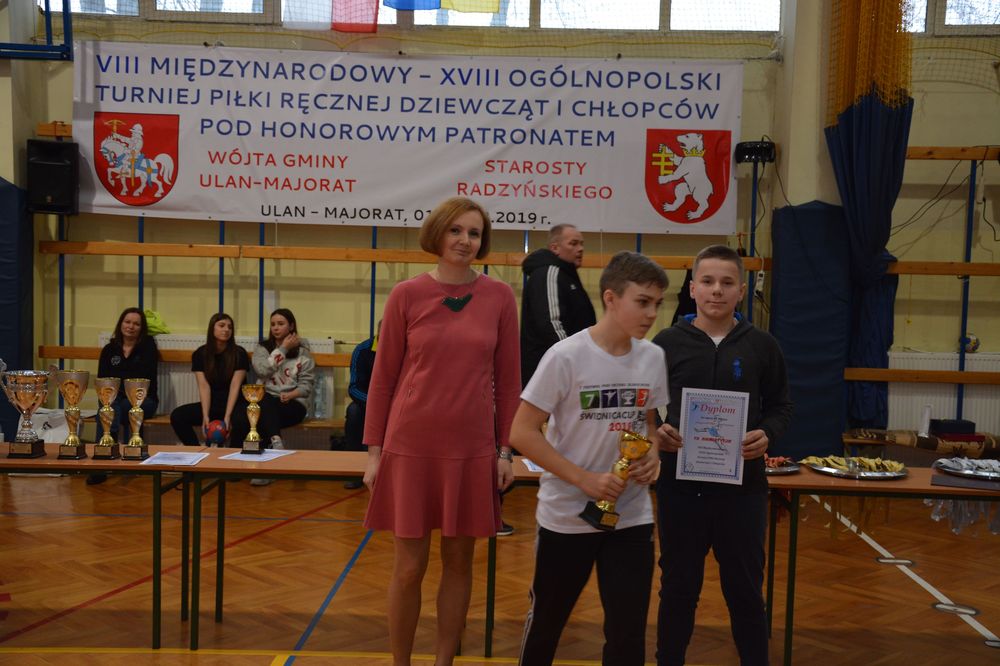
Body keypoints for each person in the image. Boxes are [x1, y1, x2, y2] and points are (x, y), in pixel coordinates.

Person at [362, 196, 520, 666]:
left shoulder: (500, 297)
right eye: (456, 230)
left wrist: (505, 451)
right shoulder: (406, 294)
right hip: (409, 447)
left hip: (472, 450)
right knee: (409, 568)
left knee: (459, 564)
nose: (465, 240)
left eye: (474, 233)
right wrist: (374, 453)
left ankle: (444, 661)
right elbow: (383, 379)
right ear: (437, 234)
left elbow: (509, 381)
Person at [510, 251, 670, 666]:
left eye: (657, 303)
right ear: (611, 298)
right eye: (643, 302)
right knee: (547, 624)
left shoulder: (652, 357)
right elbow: (521, 432)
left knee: (627, 633)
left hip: (631, 515)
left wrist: (653, 454)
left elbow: (648, 424)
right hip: (567, 514)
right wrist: (583, 479)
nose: (652, 313)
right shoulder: (565, 356)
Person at [652, 244, 793, 666]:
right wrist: (656, 431)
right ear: (692, 288)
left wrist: (767, 433)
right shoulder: (666, 343)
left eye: (727, 282)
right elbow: (646, 405)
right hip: (680, 489)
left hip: (743, 491)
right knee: (678, 589)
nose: (717, 290)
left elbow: (781, 406)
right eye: (708, 281)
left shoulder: (763, 345)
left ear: (741, 290)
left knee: (745, 591)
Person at [232, 308, 315, 486]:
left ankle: (266, 469)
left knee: (261, 411)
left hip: (293, 403)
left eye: (281, 324)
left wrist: (291, 394)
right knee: (245, 413)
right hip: (266, 401)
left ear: (291, 326)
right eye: (273, 324)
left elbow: (306, 386)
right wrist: (283, 349)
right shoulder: (263, 349)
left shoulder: (303, 352)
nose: (276, 328)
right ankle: (271, 447)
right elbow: (263, 370)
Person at [88, 307, 160, 485]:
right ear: (120, 324)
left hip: (143, 399)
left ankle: (123, 454)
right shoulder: (109, 350)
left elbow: (145, 379)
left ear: (141, 328)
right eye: (127, 322)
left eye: (136, 324)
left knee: (122, 408)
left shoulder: (148, 348)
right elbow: (103, 381)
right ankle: (100, 466)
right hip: (113, 398)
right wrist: (112, 399)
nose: (131, 326)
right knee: (107, 410)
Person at [520, 223, 596, 386]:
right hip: (550, 372)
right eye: (573, 243)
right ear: (555, 248)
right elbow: (551, 323)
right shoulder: (549, 273)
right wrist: (573, 360)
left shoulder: (566, 275)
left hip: (565, 370)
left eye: (582, 244)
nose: (580, 249)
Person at [170, 313, 248, 446]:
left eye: (230, 327)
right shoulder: (200, 354)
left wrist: (227, 417)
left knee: (242, 421)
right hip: (212, 404)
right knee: (178, 416)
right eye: (221, 326)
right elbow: (203, 386)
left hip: (235, 405)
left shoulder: (239, 353)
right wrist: (205, 416)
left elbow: (235, 386)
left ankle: (233, 453)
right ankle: (195, 450)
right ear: (212, 328)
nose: (226, 330)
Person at [342, 320, 379, 490]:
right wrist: (375, 404)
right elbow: (354, 387)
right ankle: (354, 470)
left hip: (396, 405)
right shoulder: (362, 350)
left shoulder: (405, 348)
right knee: (353, 411)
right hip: (367, 403)